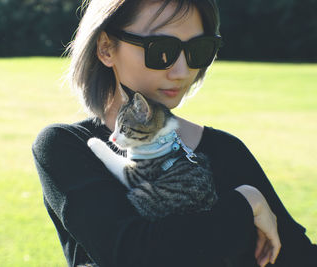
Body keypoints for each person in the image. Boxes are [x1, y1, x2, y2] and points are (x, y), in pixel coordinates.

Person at [32, 0, 317, 266]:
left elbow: (298, 257)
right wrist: (246, 203)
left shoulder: (227, 151)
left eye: (199, 50)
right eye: (162, 50)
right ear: (106, 48)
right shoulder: (67, 147)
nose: (182, 71)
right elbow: (131, 254)